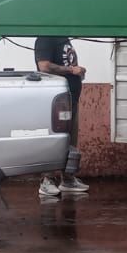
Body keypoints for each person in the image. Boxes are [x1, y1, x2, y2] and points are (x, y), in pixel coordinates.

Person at [34, 35, 89, 197]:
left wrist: (78, 73)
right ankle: (46, 181)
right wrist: (72, 70)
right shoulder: (45, 38)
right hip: (57, 100)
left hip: (71, 98)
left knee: (70, 140)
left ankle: (68, 178)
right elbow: (43, 66)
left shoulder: (63, 38)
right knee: (55, 139)